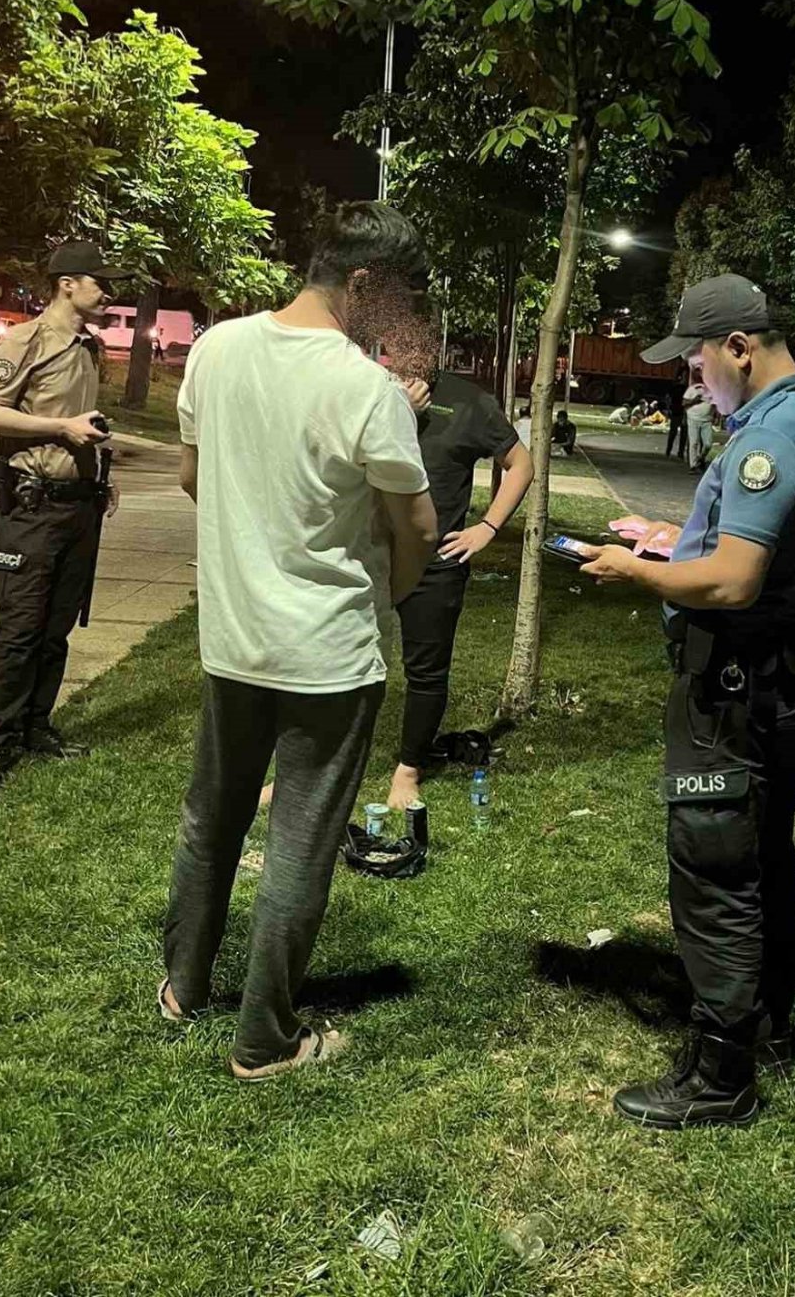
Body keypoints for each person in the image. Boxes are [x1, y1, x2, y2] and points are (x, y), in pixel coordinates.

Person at [160, 203, 438, 1080]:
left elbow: (194, 476)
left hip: (233, 640)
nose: (402, 315)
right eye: (396, 296)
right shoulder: (366, 388)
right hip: (327, 653)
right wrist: (388, 595)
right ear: (361, 282)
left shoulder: (216, 348)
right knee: (301, 842)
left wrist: (256, 543)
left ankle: (182, 987)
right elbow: (418, 528)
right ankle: (265, 1040)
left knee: (213, 817)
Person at [579, 273, 795, 1129]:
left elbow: (735, 582)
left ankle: (720, 1074)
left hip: (734, 683)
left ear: (739, 348)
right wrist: (676, 540)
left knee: (715, 865)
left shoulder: (767, 438)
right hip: (783, 678)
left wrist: (636, 570)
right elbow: (760, 546)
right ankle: (767, 1020)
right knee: (765, 850)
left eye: (699, 362)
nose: (694, 379)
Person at [0, 242, 123, 789]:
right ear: (67, 284)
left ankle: (36, 728)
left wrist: (100, 473)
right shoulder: (26, 340)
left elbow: (81, 421)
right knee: (19, 629)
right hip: (30, 508)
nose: (109, 293)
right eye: (101, 283)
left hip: (78, 505)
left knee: (56, 628)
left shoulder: (89, 346)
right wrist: (60, 428)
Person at [379, 344, 532, 811]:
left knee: (426, 672)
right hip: (368, 557)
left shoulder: (468, 401)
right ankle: (313, 766)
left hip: (436, 564)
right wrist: (399, 412)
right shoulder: (367, 388)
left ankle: (409, 769)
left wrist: (487, 528)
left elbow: (521, 464)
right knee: (338, 663)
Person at [684, 376, 715, 472]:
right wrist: (694, 400)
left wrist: (714, 415)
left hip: (707, 420)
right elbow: (684, 403)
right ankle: (693, 465)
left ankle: (700, 458)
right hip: (693, 419)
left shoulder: (712, 390)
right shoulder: (692, 389)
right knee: (694, 442)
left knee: (708, 444)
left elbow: (715, 404)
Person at [665, 373, 689, 460]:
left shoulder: (685, 388)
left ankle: (678, 452)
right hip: (677, 412)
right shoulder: (678, 388)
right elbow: (668, 398)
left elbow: (668, 398)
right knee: (675, 433)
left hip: (680, 412)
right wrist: (669, 408)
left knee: (682, 434)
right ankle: (670, 450)